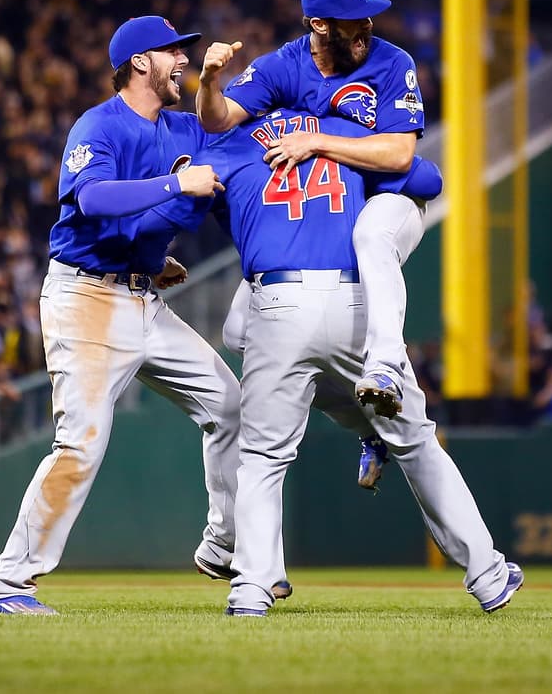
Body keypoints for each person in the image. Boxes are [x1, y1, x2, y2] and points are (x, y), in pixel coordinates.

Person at [153, 108, 523, 617]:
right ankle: (487, 575)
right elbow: (428, 177)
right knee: (418, 444)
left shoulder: (229, 147)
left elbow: (171, 214)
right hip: (353, 302)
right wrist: (338, 150)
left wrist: (149, 256)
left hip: (277, 302)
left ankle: (251, 590)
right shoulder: (345, 134)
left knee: (262, 459)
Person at [0, 17, 244, 615]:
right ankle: (8, 584)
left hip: (143, 297)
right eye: (174, 51)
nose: (183, 59)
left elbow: (223, 141)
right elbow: (93, 200)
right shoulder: (98, 125)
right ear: (140, 61)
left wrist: (153, 255)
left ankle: (223, 545)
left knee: (230, 407)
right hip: (86, 300)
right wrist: (174, 185)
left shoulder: (180, 125)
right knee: (81, 445)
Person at [196, 0, 428, 489]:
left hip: (390, 199)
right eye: (350, 20)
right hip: (325, 216)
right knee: (240, 331)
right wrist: (209, 81)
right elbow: (218, 120)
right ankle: (366, 424)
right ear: (319, 25)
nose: (365, 25)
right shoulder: (286, 64)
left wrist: (317, 141)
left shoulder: (393, 62)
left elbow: (400, 153)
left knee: (373, 239)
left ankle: (386, 361)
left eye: (367, 13)